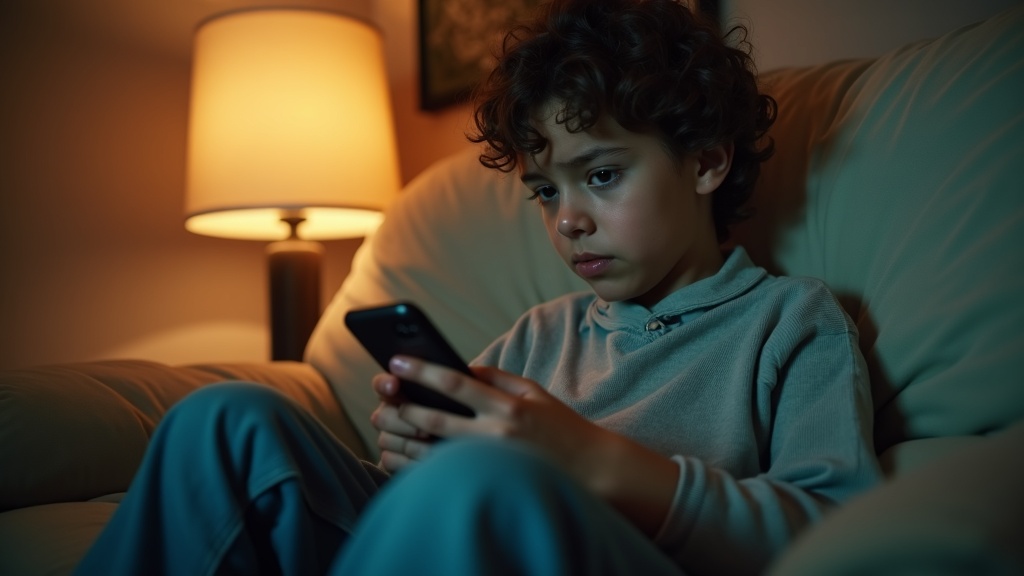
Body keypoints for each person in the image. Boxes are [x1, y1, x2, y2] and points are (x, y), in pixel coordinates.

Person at [74, 1, 881, 574]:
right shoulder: (537, 335)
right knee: (224, 420)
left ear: (706, 160)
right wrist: (411, 451)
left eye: (600, 176)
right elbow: (421, 514)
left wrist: (589, 460)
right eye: (545, 192)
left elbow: (843, 535)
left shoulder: (790, 323)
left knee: (484, 479)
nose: (568, 220)